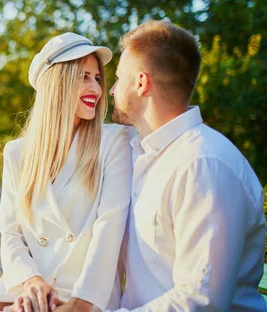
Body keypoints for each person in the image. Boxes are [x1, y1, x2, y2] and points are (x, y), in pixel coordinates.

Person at [0, 33, 133, 312]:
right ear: (57, 85)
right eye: (84, 77)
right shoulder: (17, 153)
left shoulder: (114, 142)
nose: (96, 89)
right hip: (30, 287)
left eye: (97, 78)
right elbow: (10, 233)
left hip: (86, 292)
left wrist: (84, 302)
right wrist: (31, 280)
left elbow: (109, 228)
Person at [105, 20, 266, 311]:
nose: (112, 90)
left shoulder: (203, 165)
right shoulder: (147, 153)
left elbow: (201, 301)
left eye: (118, 78)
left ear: (141, 83)